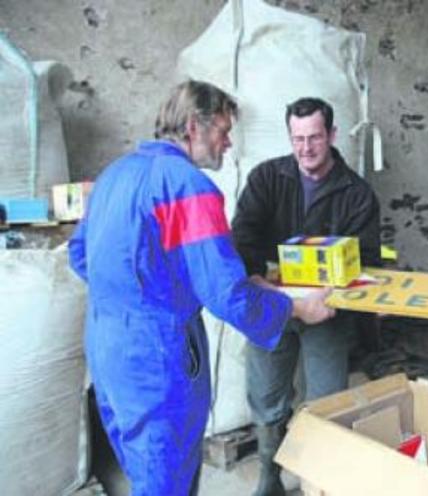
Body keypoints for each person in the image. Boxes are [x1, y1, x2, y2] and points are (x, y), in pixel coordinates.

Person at [68, 80, 335, 496]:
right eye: (223, 131)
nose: (228, 143)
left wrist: (148, 290)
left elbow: (81, 256)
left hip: (107, 346)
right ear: (194, 126)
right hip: (159, 355)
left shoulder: (113, 175)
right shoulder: (187, 186)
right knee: (166, 477)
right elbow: (227, 295)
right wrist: (298, 308)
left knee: (142, 467)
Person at [231, 97, 381, 495]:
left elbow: (366, 259)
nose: (306, 148)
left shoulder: (357, 194)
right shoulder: (266, 179)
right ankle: (269, 476)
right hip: (272, 307)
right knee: (266, 395)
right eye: (298, 139)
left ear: (331, 135)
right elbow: (242, 237)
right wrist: (262, 283)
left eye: (315, 137)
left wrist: (331, 291)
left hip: (327, 312)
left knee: (327, 400)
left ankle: (319, 481)